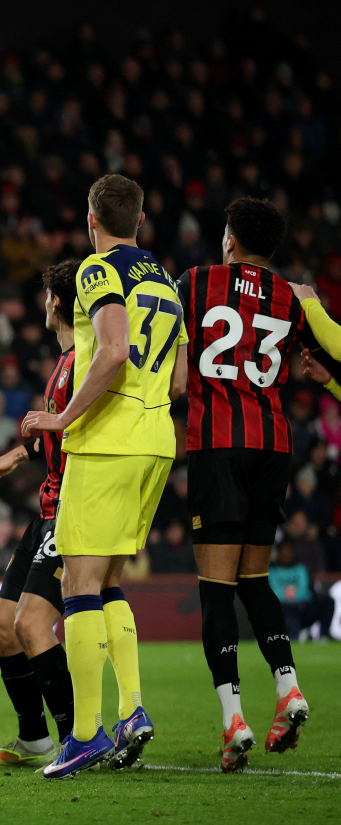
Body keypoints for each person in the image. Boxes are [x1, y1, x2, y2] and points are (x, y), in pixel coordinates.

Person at [22, 174, 188, 779]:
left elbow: (114, 351)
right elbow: (178, 382)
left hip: (107, 445)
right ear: (139, 220)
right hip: (157, 443)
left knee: (77, 586)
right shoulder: (165, 280)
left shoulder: (98, 271)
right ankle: (132, 710)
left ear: (94, 218)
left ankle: (86, 734)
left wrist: (64, 416)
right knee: (110, 582)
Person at [179, 197, 315, 771]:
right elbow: (319, 356)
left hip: (217, 444)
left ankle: (234, 719)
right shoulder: (292, 296)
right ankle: (288, 688)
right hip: (274, 445)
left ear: (230, 239)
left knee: (216, 587)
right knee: (254, 578)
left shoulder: (196, 281)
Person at [0, 258, 80, 769]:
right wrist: (13, 456)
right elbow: (56, 437)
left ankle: (77, 739)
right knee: (1, 625)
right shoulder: (63, 363)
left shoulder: (87, 361)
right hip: (45, 509)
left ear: (54, 303)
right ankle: (34, 739)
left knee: (33, 624)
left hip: (72, 513)